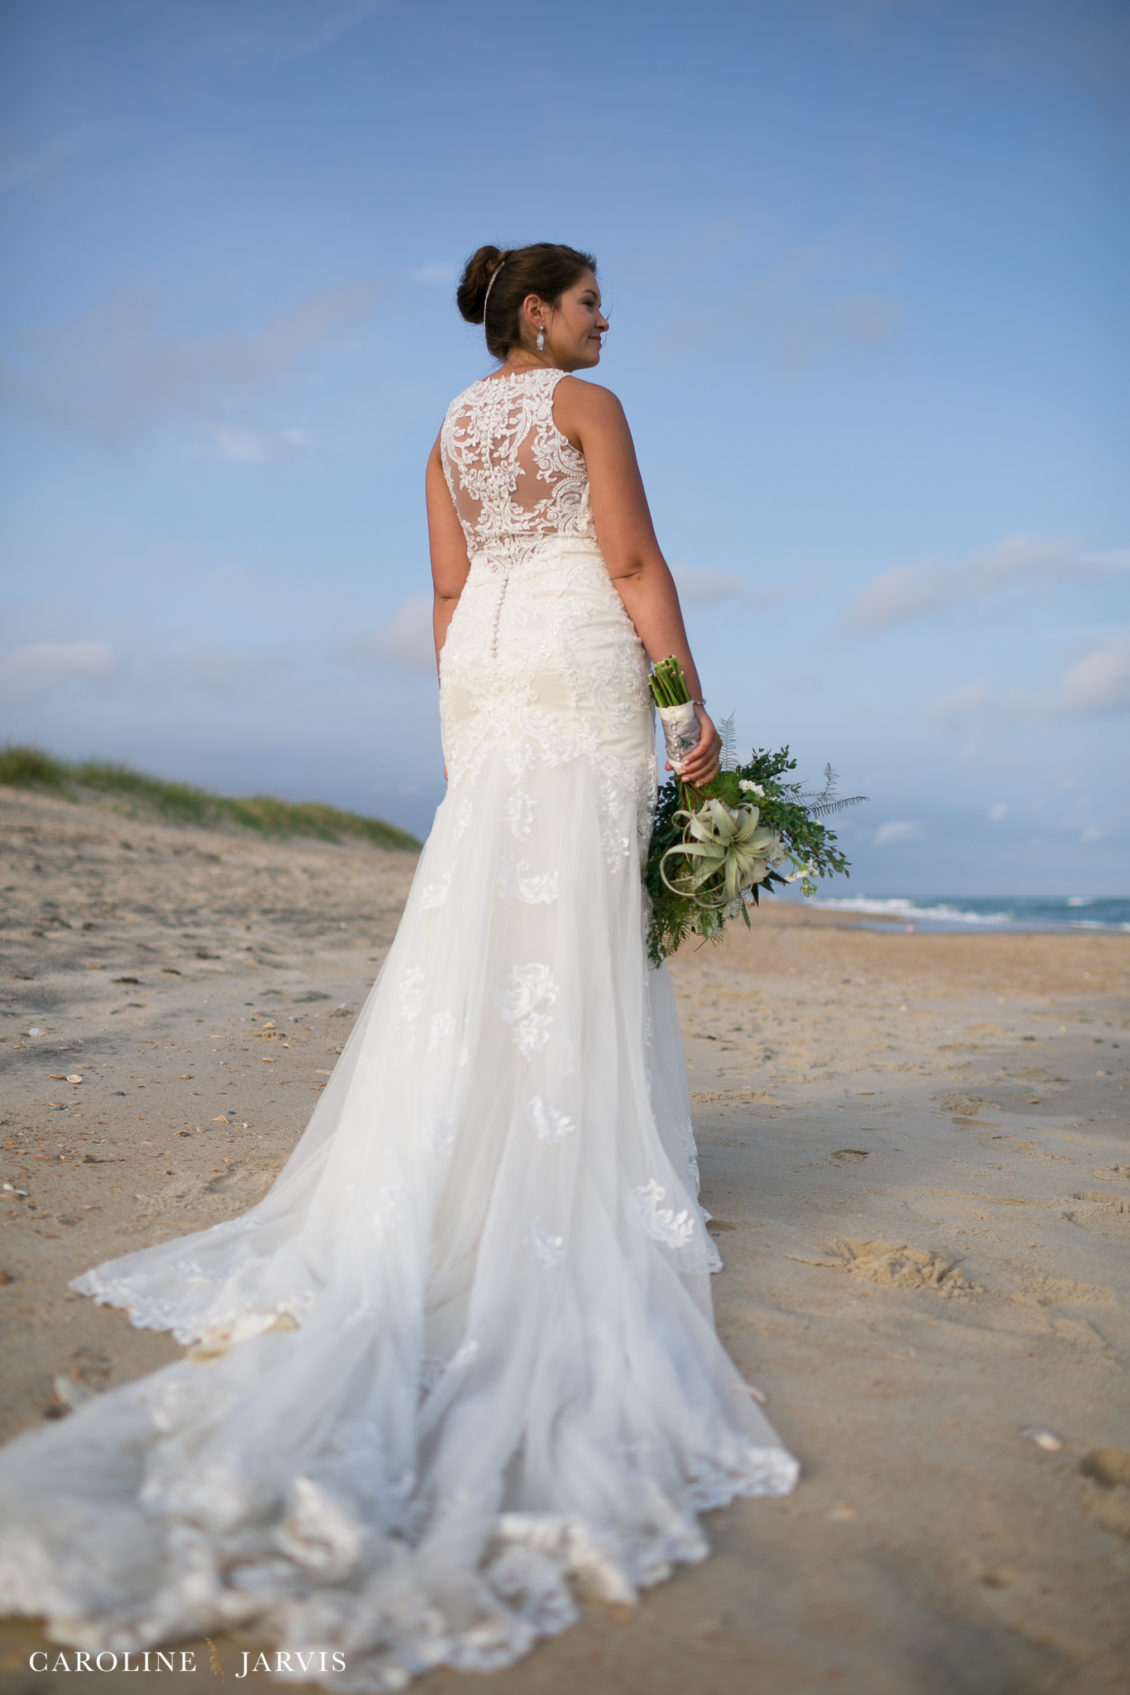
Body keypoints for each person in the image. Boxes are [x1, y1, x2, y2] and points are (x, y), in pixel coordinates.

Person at [0, 241, 799, 1691]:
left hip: (490, 661)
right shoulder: (583, 407)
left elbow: (439, 592)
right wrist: (686, 700)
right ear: (536, 315)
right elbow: (627, 558)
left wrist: (459, 729)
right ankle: (564, 1163)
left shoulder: (441, 427)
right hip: (566, 645)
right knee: (573, 914)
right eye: (590, 301)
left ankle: (458, 1154)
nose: (606, 320)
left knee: (489, 900)